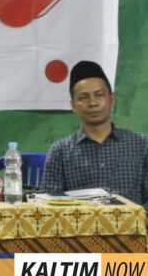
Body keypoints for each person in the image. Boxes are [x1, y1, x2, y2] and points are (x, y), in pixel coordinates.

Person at [40, 61, 148, 208]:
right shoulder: (60, 152)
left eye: (99, 95)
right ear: (73, 105)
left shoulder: (142, 145)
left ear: (111, 100)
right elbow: (49, 206)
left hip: (133, 222)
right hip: (80, 223)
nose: (93, 103)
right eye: (84, 97)